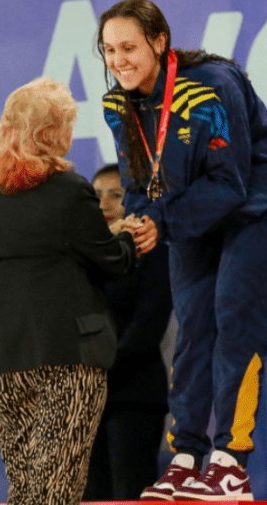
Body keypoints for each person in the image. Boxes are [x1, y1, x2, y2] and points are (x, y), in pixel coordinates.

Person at [97, 0, 267, 501]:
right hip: (189, 209)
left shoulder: (212, 84)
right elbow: (137, 185)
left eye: (128, 47)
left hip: (256, 201)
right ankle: (186, 457)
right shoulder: (117, 104)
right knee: (192, 328)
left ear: (159, 42)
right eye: (108, 50)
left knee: (236, 319)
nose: (118, 60)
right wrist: (141, 220)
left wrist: (159, 219)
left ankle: (230, 463)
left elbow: (230, 184)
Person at [0, 77, 143, 505]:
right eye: (66, 124)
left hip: (2, 355)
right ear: (51, 132)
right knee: (56, 488)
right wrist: (131, 236)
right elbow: (112, 260)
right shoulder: (69, 190)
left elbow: (35, 246)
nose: (70, 134)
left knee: (25, 487)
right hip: (66, 355)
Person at [83, 164, 173, 501]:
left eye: (115, 195)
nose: (103, 204)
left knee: (129, 493)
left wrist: (99, 366)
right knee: (90, 495)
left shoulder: (152, 251)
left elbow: (148, 324)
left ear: (134, 201)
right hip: (86, 398)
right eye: (95, 196)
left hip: (133, 393)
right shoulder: (79, 254)